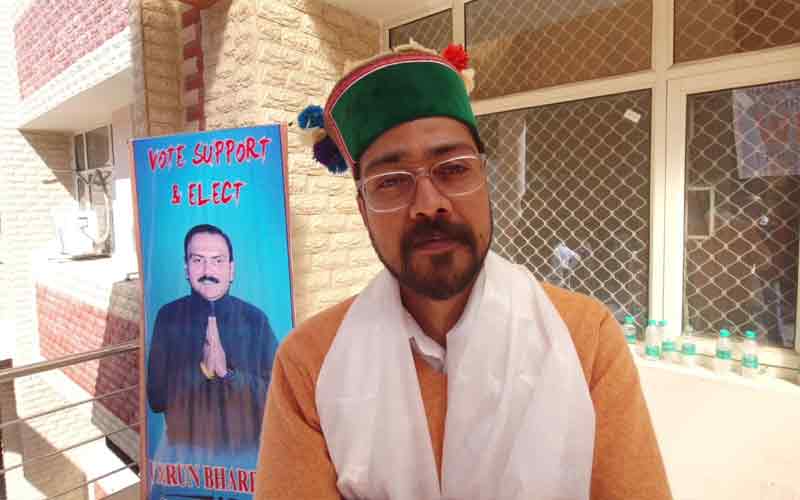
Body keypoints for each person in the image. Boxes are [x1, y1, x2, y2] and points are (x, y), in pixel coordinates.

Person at [255, 44, 671, 499]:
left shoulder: (583, 338)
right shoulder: (310, 364)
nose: (429, 203)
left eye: (453, 169)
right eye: (391, 181)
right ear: (363, 209)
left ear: (484, 180)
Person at [147, 223, 278, 457]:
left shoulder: (255, 320)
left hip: (246, 456)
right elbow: (155, 399)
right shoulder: (168, 317)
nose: (208, 270)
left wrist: (228, 375)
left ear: (231, 269)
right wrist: (203, 372)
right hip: (183, 457)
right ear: (186, 268)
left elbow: (277, 394)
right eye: (198, 260)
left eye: (218, 260)